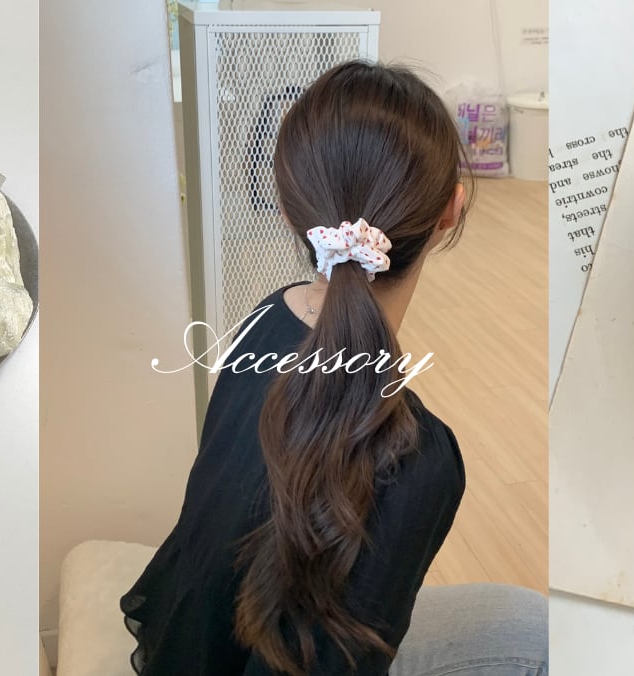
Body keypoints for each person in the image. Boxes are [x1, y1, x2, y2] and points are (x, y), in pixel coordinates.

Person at [121, 60, 548, 676]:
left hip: (192, 641)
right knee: (538, 635)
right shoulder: (420, 461)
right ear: (451, 210)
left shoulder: (265, 319)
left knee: (525, 621)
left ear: (289, 208)